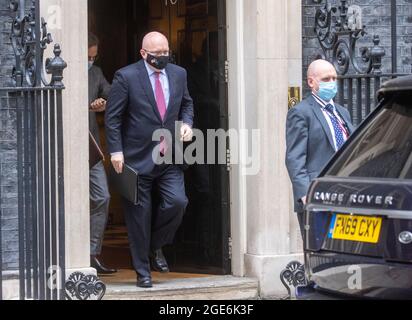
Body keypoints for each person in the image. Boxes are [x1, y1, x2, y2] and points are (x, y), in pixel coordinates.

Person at [105, 31, 194, 288]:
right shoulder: (126, 76)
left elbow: (186, 104)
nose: (163, 57)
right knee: (138, 217)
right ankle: (142, 271)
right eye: (157, 54)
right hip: (135, 157)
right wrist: (116, 151)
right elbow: (113, 118)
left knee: (177, 202)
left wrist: (187, 124)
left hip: (170, 154)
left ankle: (155, 246)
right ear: (144, 54)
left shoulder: (179, 74)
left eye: (166, 52)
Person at [285, 59, 355, 236]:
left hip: (346, 194)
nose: (332, 83)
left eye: (334, 78)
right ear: (311, 82)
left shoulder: (342, 112)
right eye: (326, 79)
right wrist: (306, 195)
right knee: (321, 254)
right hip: (318, 196)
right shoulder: (301, 112)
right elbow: (295, 158)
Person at [88, 32, 117, 274]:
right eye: (87, 57)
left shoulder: (95, 73)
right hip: (62, 144)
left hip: (91, 147)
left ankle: (92, 253)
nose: (90, 61)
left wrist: (104, 103)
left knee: (102, 196)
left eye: (94, 57)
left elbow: (111, 93)